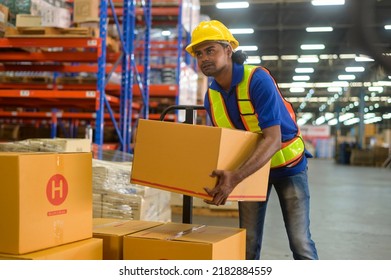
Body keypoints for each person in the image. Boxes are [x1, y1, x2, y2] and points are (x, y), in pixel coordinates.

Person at [185, 20, 319, 260]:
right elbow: (222, 143)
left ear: (228, 50)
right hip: (251, 172)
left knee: (300, 243)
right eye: (199, 53)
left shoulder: (257, 80)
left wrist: (234, 177)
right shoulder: (212, 95)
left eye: (210, 50)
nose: (204, 57)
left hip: (288, 167)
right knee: (247, 243)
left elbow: (273, 139)